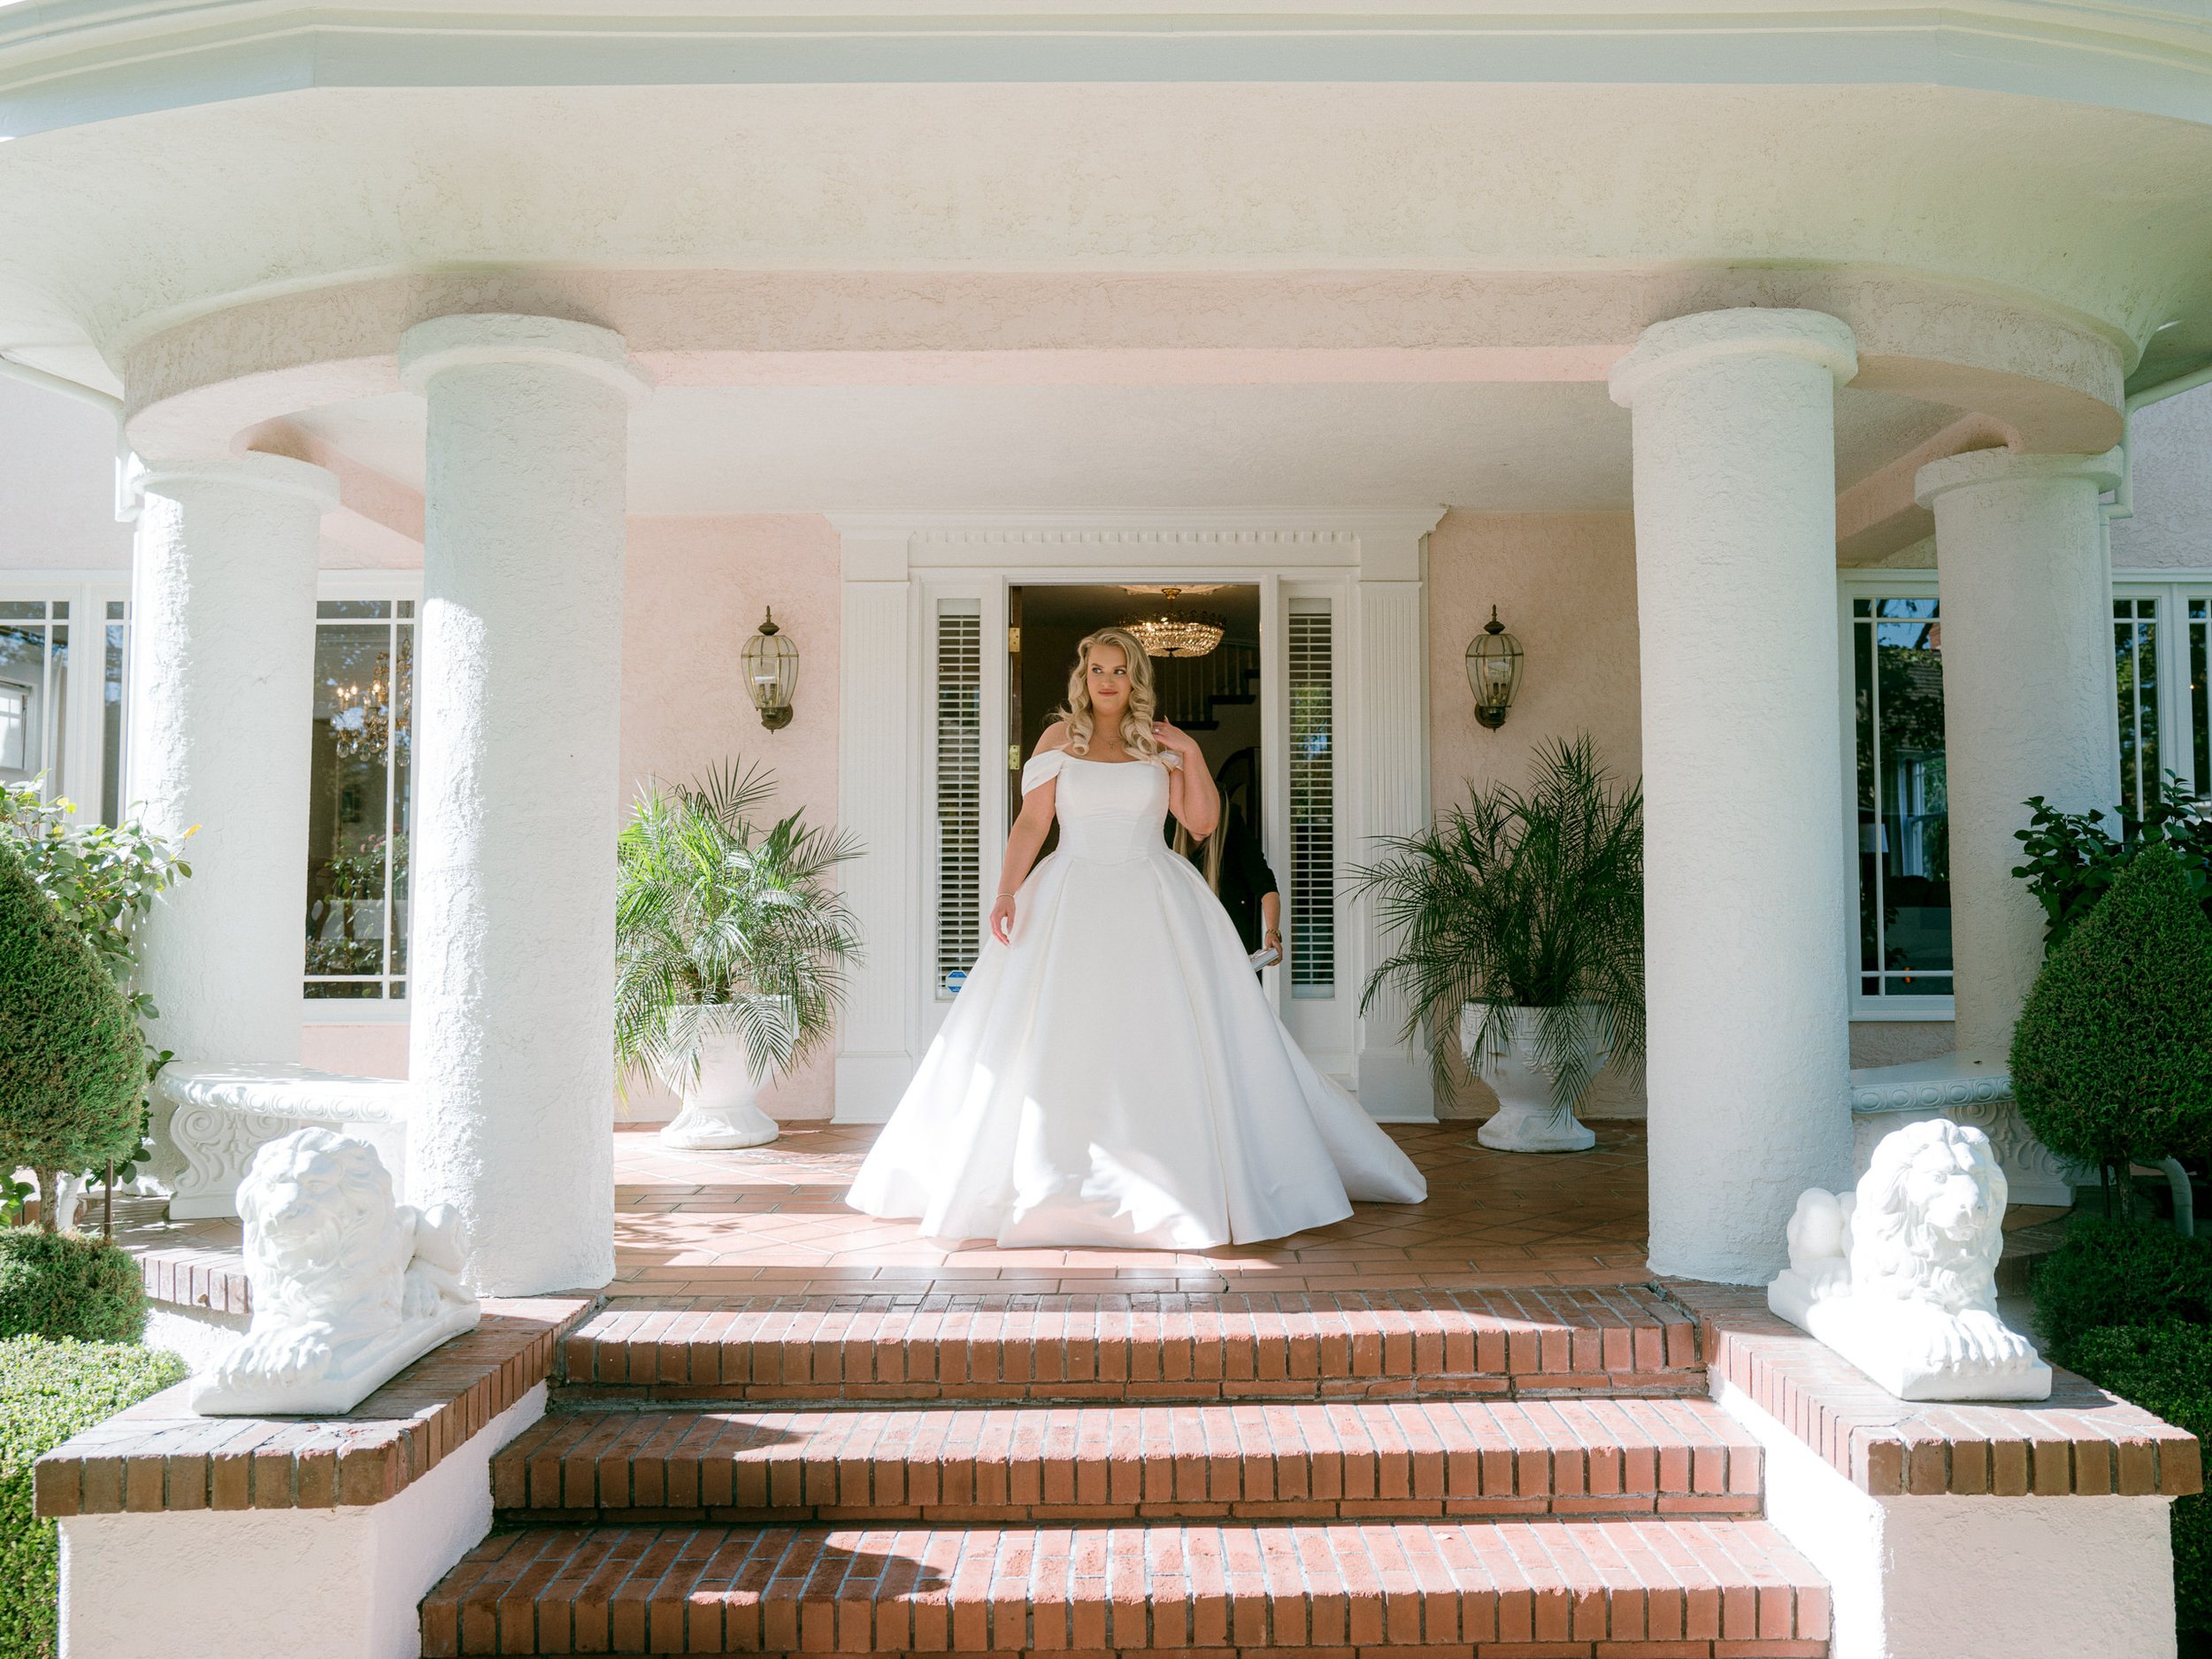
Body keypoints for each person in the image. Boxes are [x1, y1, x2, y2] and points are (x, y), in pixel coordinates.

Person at [845, 626, 1426, 1248]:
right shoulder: (1055, 740)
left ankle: (1178, 1172)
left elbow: (1200, 822)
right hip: (1069, 893)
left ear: (1135, 677)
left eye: (1118, 670)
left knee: (1163, 1030)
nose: (1106, 681)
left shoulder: (1158, 742)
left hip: (1154, 894)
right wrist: (1006, 890)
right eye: (1096, 668)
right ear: (1083, 675)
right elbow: (1032, 822)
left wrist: (1191, 754)